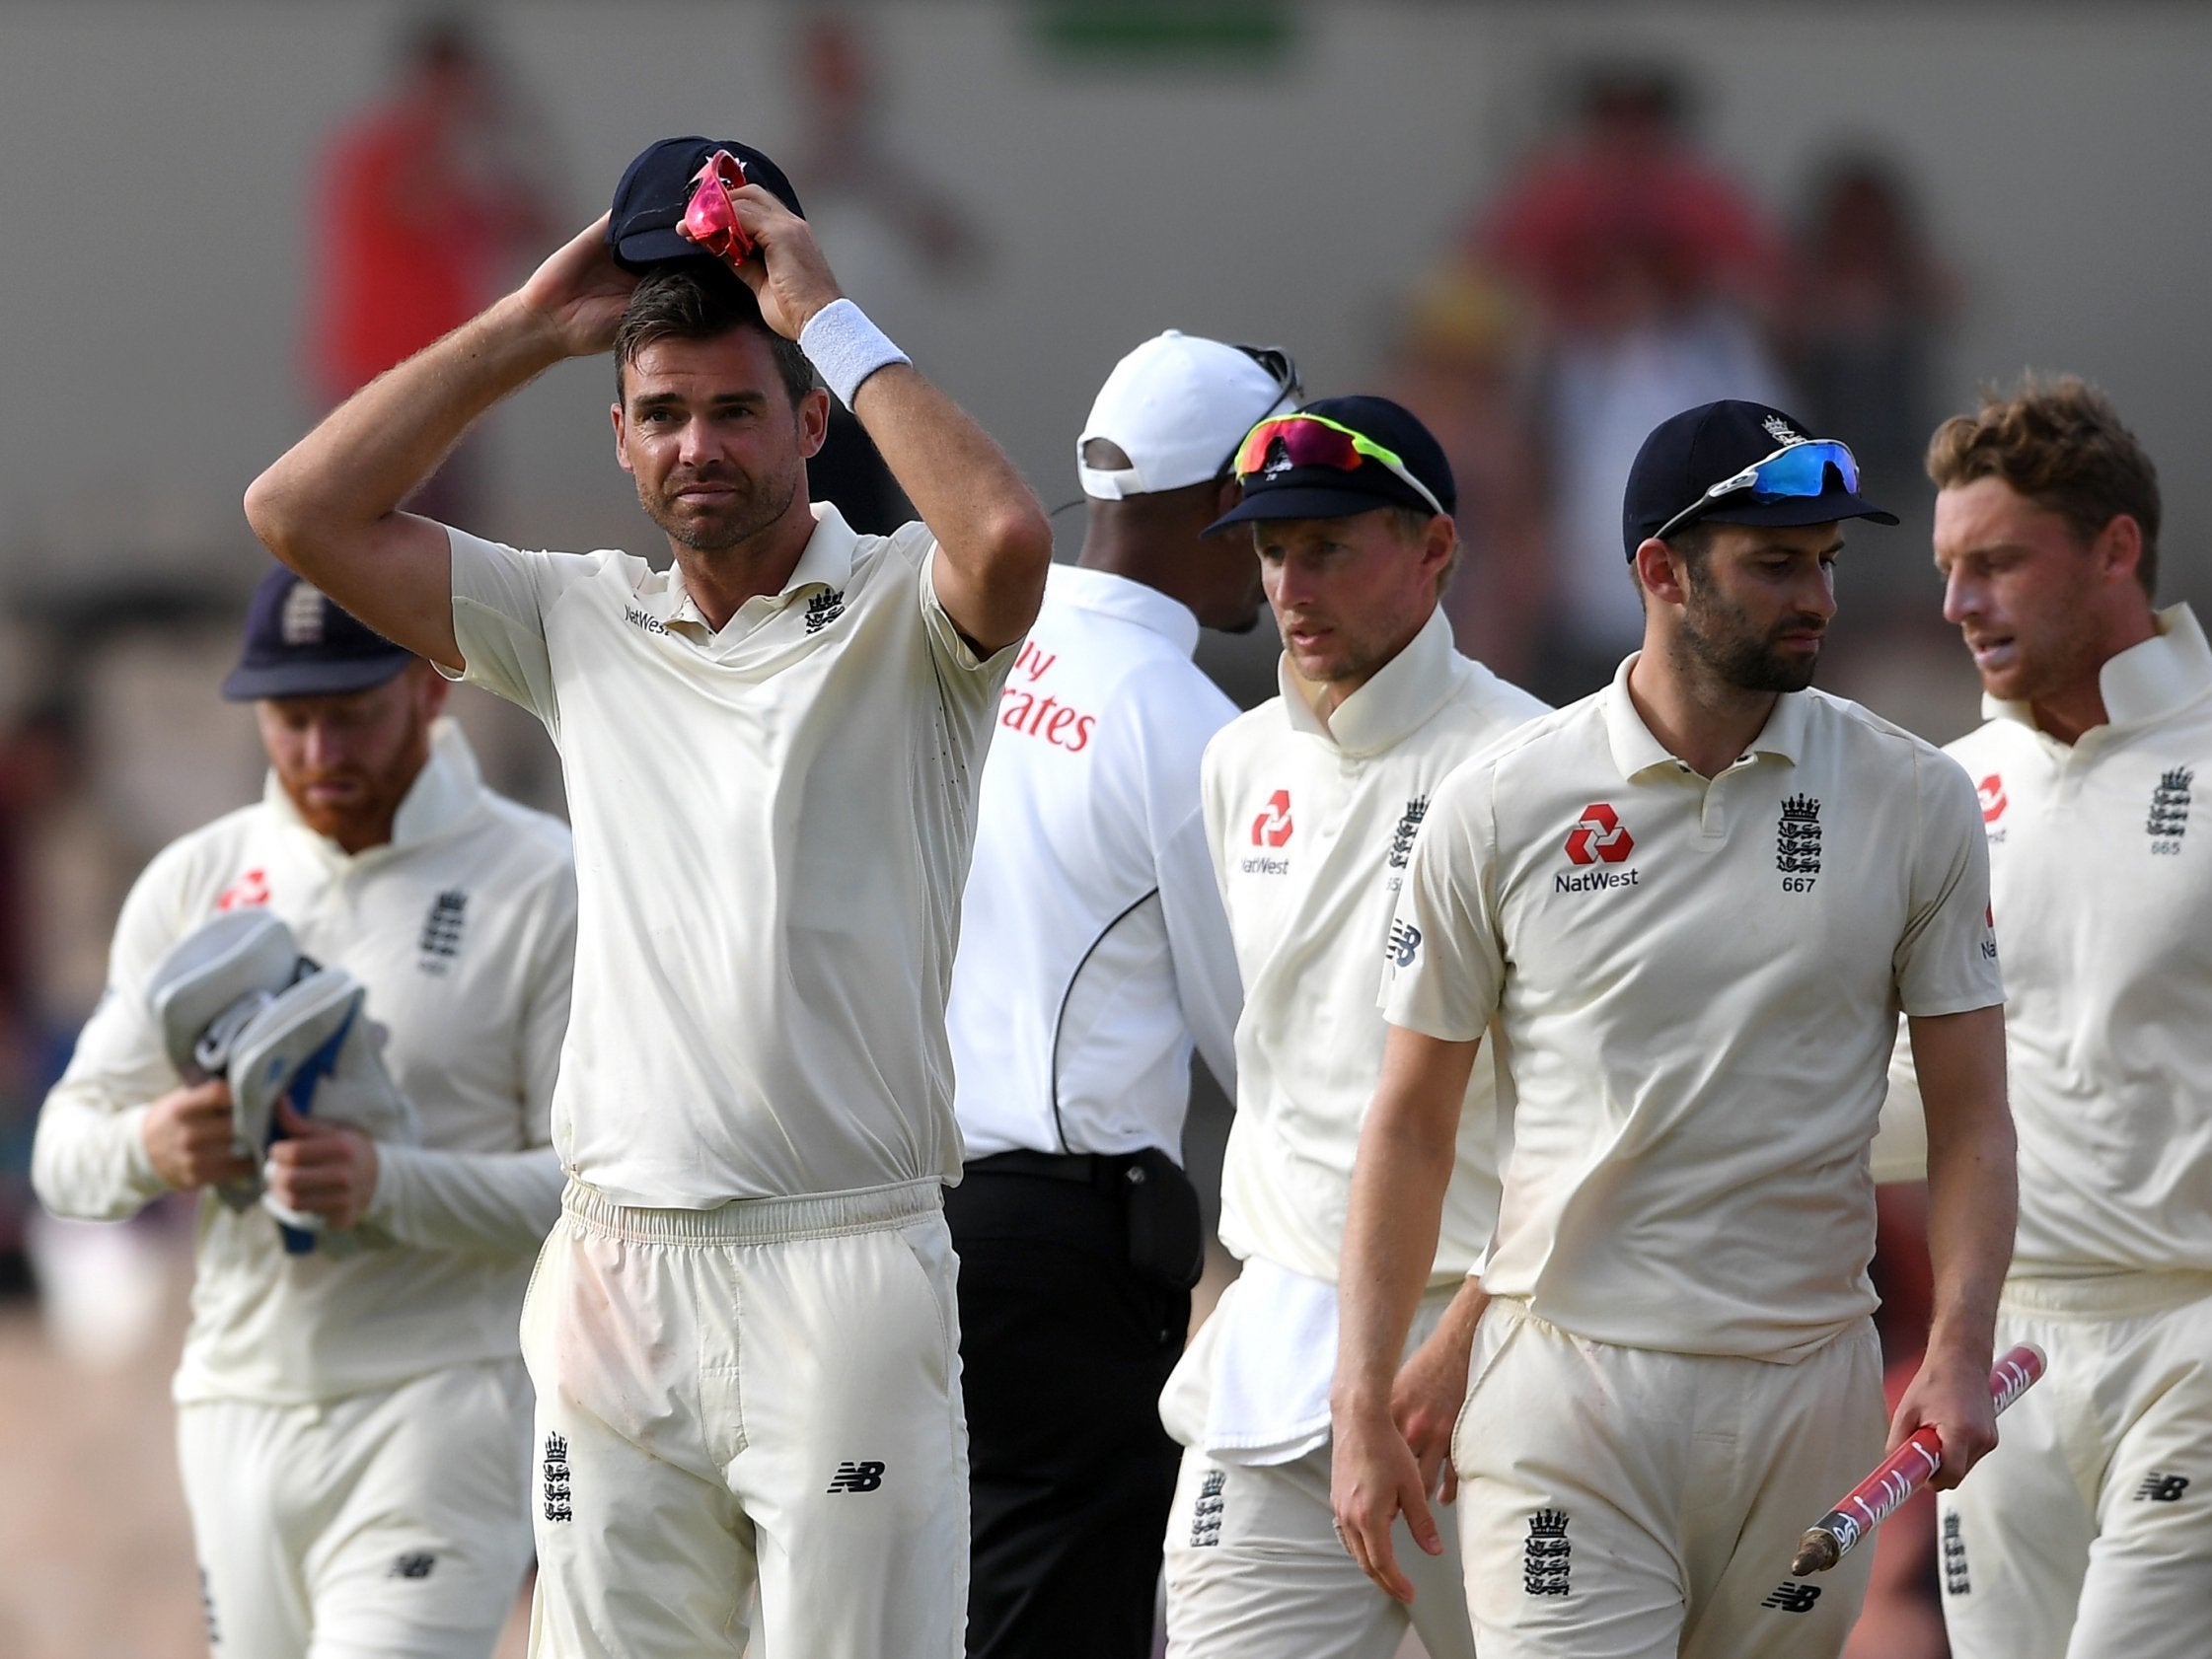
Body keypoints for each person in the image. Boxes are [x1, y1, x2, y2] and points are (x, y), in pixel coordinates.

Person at [243, 133, 1053, 1659]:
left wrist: (828, 311)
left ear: (810, 418)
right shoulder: (575, 618)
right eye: (663, 416)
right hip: (617, 1266)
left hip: (843, 1266)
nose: (699, 447)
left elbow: (1007, 538)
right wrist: (526, 329)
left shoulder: (904, 602)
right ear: (617, 437)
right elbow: (299, 514)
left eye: (739, 411)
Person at [1332, 397, 2017, 1659]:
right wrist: (1360, 1392)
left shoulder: (1917, 797)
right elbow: (1411, 1120)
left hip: (1810, 1393)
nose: (1813, 593)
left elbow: (1972, 1112)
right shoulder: (1498, 803)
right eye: (1772, 564)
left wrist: (1961, 1344)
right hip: (1566, 1394)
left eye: (1823, 561)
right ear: (1660, 571)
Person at [31, 566, 574, 1659]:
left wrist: (388, 1183)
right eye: (292, 718)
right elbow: (60, 1154)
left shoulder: (539, 882)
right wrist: (155, 1143)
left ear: (428, 687)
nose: (320, 754)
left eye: (350, 715)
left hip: (446, 1408)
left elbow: (595, 1194)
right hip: (237, 1410)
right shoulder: (198, 881)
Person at [1157, 396, 1546, 1659]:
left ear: (1433, 548)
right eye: (1271, 551)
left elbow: (1588, 1099)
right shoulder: (1236, 762)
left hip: (1483, 1362)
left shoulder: (1534, 767)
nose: (1288, 582)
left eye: (1326, 545)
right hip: (1276, 1352)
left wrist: (1457, 1333)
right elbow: (1272, 1062)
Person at [944, 330, 1293, 1658]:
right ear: (1215, 502)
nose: (1275, 542)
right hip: (1062, 1250)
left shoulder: (965, 655)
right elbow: (1255, 1045)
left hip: (891, 1216)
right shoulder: (1186, 723)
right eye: (1262, 498)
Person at [1878, 377, 2212, 1659]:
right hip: (2001, 1355)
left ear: (2114, 548)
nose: (1960, 603)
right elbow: (1901, 1103)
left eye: (1999, 563)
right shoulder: (1942, 793)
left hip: (2191, 1339)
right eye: (1950, 567)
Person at [310, 15, 556, 524]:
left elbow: (546, 227)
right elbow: (414, 207)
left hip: (457, 375)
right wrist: (443, 124)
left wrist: (524, 133)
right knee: (378, 532)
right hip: (376, 375)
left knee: (450, 540)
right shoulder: (379, 152)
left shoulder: (465, 175)